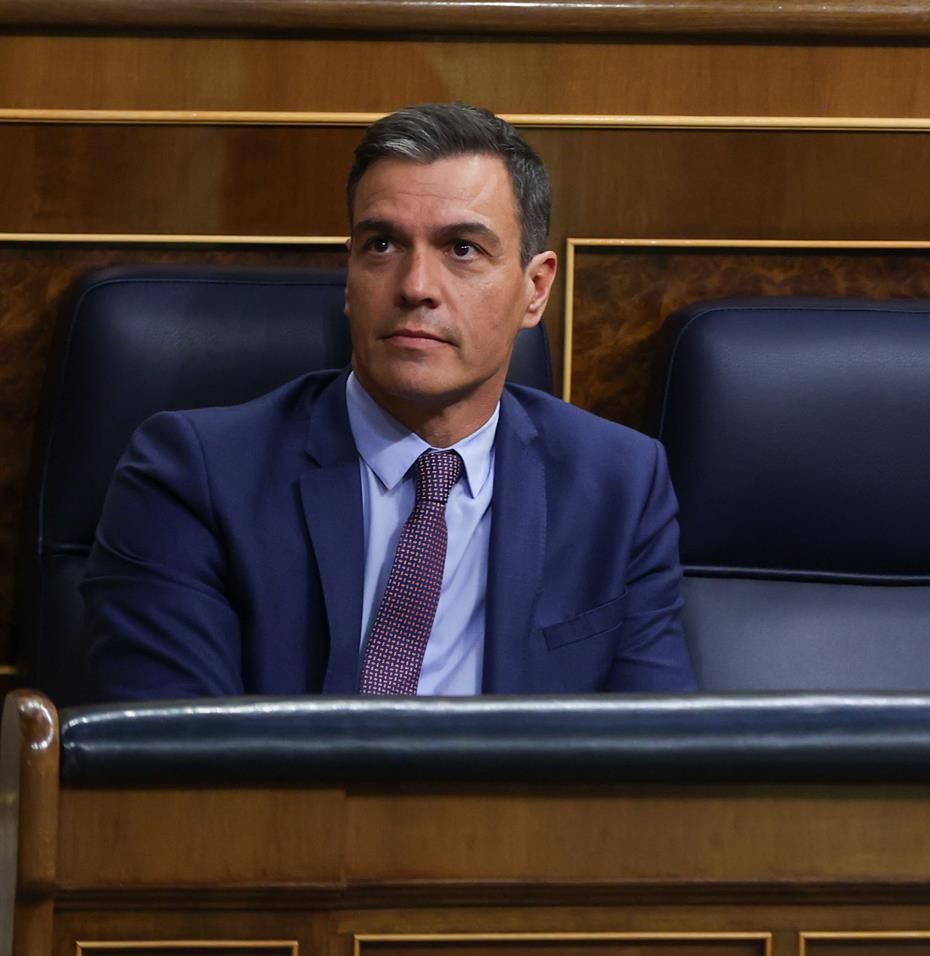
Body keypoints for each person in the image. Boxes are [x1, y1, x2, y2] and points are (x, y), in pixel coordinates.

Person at [82, 103, 697, 698]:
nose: (416, 287)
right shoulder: (194, 476)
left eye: (462, 249)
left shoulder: (620, 485)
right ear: (349, 275)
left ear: (534, 290)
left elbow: (656, 764)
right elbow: (171, 764)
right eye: (382, 245)